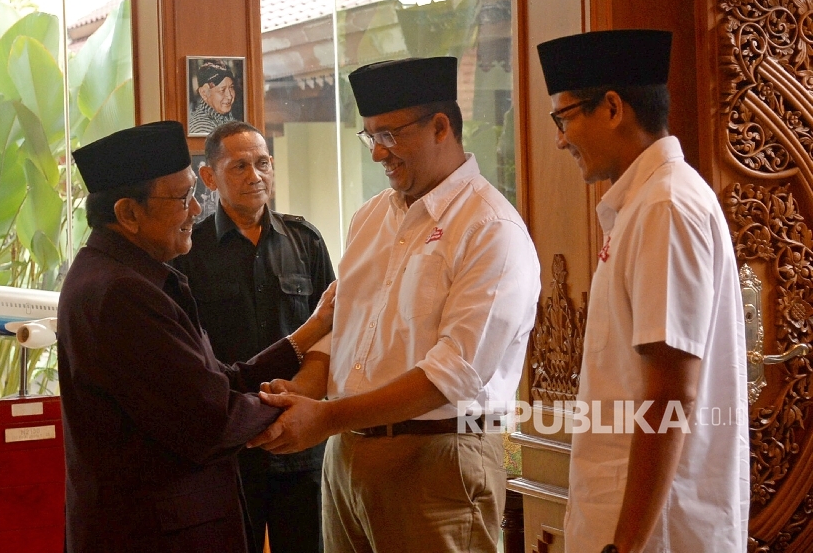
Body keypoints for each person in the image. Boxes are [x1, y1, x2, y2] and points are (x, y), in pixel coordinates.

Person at [250, 56, 541, 552]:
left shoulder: (491, 228)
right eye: (369, 137)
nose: (377, 154)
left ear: (441, 127)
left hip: (438, 459)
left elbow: (452, 373)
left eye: (389, 135)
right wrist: (303, 391)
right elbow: (345, 332)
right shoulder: (371, 218)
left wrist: (323, 418)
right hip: (346, 458)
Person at [59, 120, 334, 552]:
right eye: (183, 197)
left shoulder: (131, 273)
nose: (193, 209)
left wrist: (307, 336)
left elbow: (214, 379)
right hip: (153, 532)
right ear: (128, 213)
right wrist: (298, 409)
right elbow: (211, 415)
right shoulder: (119, 292)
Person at [536, 30, 749, 552]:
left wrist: (624, 546)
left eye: (564, 118)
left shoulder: (665, 208)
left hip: (660, 536)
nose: (560, 139)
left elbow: (670, 389)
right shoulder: (641, 205)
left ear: (612, 107)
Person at [172, 120, 335, 553]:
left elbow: (334, 331)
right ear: (209, 177)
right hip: (229, 448)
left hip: (300, 444)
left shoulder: (306, 241)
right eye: (239, 166)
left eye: (262, 163)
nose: (255, 176)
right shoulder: (189, 252)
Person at [189, 60, 237, 135]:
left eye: (231, 87)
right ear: (204, 93)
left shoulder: (226, 116)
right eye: (222, 90)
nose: (229, 96)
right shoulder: (201, 127)